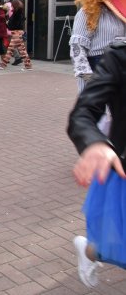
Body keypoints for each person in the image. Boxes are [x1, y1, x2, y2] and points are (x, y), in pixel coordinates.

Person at [67, 40, 126, 288]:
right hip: (122, 169)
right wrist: (94, 143)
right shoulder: (119, 58)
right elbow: (84, 112)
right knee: (117, 247)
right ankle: (89, 251)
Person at [69, 0, 126, 92]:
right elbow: (77, 48)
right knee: (101, 112)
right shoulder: (87, 12)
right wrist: (89, 79)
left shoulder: (120, 11)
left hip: (120, 72)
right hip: (99, 71)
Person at [0, 0, 33, 70]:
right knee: (22, 51)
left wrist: (7, 23)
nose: (11, 7)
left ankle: (3, 64)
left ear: (15, 6)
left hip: (16, 33)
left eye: (12, 6)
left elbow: (13, 24)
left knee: (10, 50)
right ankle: (28, 66)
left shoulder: (16, 14)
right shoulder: (19, 13)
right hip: (18, 33)